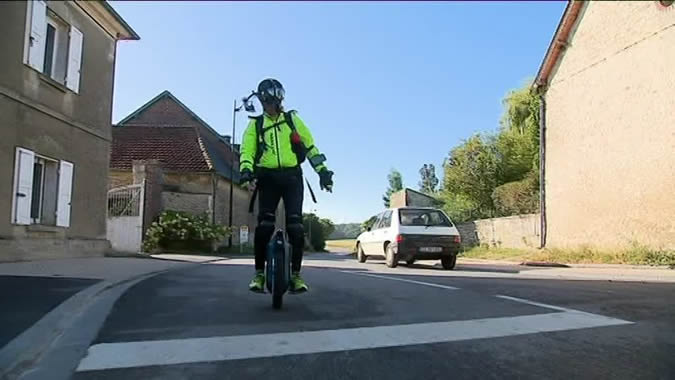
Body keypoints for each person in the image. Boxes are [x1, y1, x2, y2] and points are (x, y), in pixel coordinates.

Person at [239, 78, 333, 293]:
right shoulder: (256, 124)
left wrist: (323, 172)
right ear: (262, 102)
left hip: (292, 178)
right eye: (266, 103)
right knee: (264, 226)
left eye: (274, 102)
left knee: (296, 227)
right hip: (268, 178)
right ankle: (259, 274)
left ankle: (296, 276)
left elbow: (310, 146)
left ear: (280, 101)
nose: (270, 107)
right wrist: (246, 169)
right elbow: (247, 150)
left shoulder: (292, 119)